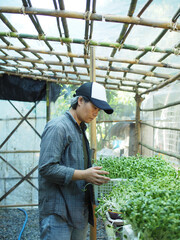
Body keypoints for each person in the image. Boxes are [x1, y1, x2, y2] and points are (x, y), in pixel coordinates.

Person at [38, 82, 114, 240]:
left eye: (98, 110)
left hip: (78, 211)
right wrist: (84, 175)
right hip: (58, 213)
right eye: (94, 107)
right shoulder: (58, 127)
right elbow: (46, 168)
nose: (95, 114)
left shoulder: (79, 129)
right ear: (80, 101)